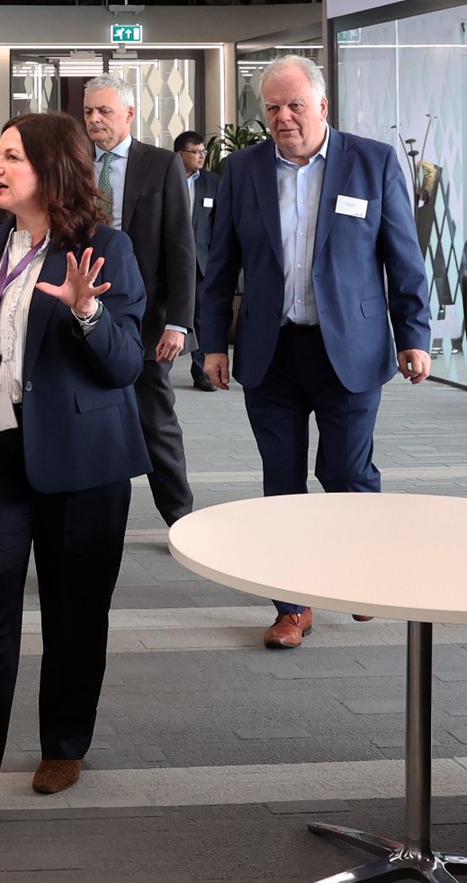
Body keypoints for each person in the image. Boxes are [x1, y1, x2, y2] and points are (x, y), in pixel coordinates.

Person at [0, 112, 149, 823]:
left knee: (75, 614)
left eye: (12, 157)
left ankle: (64, 743)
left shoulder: (105, 248)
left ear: (53, 168)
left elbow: (125, 364)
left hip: (81, 458)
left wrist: (86, 315)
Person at [199, 55, 430, 650]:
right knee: (281, 483)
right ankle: (291, 605)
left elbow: (403, 257)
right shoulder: (243, 171)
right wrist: (211, 345)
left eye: (295, 105)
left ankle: (359, 577)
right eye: (272, 107)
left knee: (348, 472)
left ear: (323, 106)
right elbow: (220, 267)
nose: (282, 117)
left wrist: (414, 335)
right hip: (270, 352)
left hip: (349, 349)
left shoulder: (371, 162)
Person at [83, 75, 196, 526]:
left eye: (104, 111)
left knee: (154, 422)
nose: (94, 119)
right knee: (89, 418)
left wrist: (179, 323)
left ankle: (180, 518)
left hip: (146, 321)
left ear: (129, 114)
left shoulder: (161, 164)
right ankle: (91, 519)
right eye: (89, 111)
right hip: (84, 312)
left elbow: (181, 249)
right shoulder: (73, 163)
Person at [174, 130, 221, 391]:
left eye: (203, 151)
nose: (202, 156)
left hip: (202, 261)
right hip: (170, 260)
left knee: (202, 316)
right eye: (196, 152)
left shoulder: (213, 183)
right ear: (180, 154)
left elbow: (221, 224)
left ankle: (201, 369)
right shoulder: (165, 179)